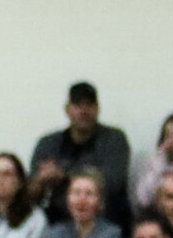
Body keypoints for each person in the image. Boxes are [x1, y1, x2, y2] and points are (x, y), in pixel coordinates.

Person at [29, 82, 133, 224]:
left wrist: (63, 176)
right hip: (58, 218)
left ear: (97, 109)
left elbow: (113, 182)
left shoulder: (114, 139)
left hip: (105, 219)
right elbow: (30, 194)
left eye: (89, 105)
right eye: (78, 105)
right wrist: (41, 180)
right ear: (67, 109)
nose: (84, 111)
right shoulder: (48, 143)